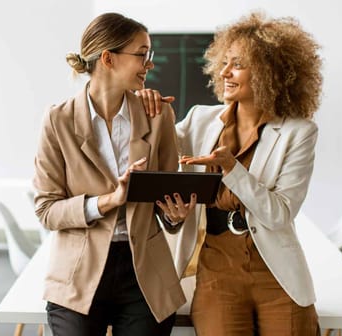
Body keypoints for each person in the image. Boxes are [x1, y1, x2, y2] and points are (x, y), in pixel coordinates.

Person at [137, 11, 323, 336]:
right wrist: (149, 110)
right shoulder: (200, 120)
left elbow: (279, 214)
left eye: (237, 64)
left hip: (276, 273)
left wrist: (232, 169)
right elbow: (156, 152)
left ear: (269, 73)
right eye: (224, 62)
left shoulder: (299, 132)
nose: (224, 72)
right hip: (216, 271)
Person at [32, 12, 198, 336]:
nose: (149, 64)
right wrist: (108, 201)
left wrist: (175, 216)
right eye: (142, 54)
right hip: (78, 271)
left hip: (144, 274)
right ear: (108, 58)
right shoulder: (58, 121)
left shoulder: (157, 115)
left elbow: (166, 199)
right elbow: (46, 210)